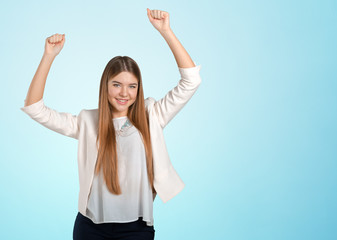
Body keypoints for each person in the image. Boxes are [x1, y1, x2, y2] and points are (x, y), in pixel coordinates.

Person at [20, 8, 202, 240]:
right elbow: (35, 108)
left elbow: (191, 81)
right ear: (105, 86)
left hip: (136, 228)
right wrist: (48, 56)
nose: (124, 93)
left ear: (139, 88)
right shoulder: (88, 121)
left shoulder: (152, 115)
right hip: (90, 227)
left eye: (132, 86)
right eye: (117, 84)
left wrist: (166, 31)